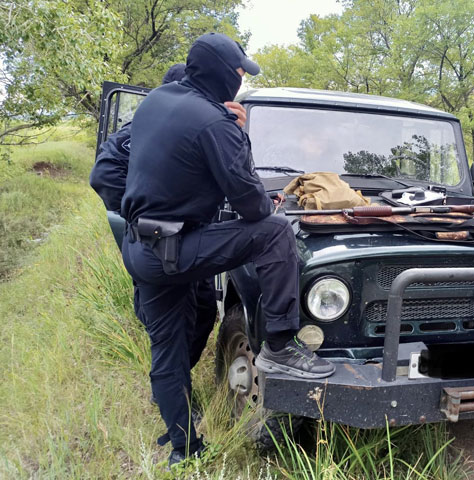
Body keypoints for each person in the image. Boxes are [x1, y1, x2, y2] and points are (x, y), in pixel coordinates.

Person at [119, 33, 335, 467]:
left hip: (142, 248)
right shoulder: (216, 122)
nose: (240, 78)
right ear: (220, 73)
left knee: (167, 349)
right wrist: (238, 132)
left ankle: (183, 449)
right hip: (179, 247)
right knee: (274, 231)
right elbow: (253, 205)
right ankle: (279, 344)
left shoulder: (157, 100)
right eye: (238, 71)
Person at [90, 64, 247, 386]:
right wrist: (147, 213)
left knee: (203, 310)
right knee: (171, 321)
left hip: (191, 240)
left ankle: (177, 379)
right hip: (159, 242)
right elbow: (104, 175)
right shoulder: (149, 128)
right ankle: (172, 392)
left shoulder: (201, 129)